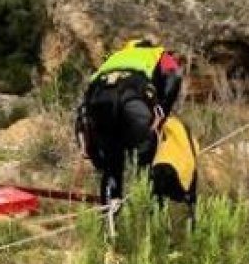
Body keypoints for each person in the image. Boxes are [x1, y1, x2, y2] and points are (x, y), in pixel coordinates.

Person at [77, 39, 183, 207]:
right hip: (132, 96)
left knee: (111, 163)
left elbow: (84, 105)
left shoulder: (115, 57)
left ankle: (111, 213)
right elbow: (175, 76)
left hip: (99, 98)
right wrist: (162, 111)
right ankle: (152, 215)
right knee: (148, 159)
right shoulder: (158, 53)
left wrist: (89, 146)